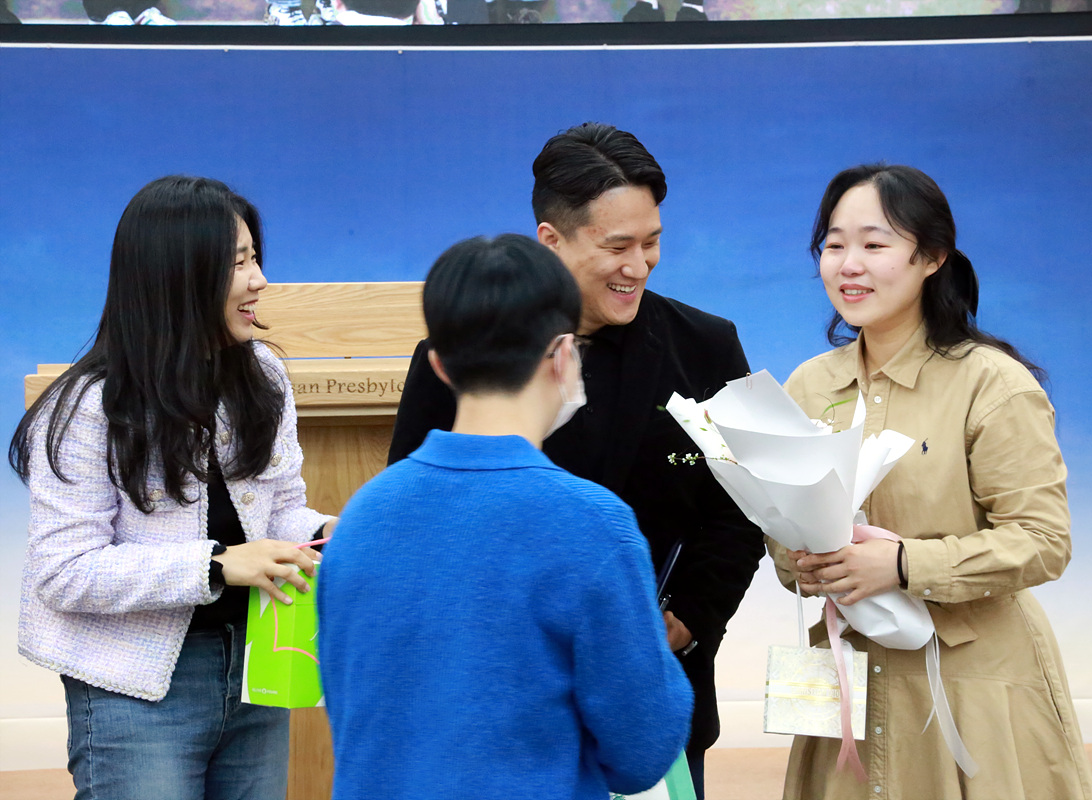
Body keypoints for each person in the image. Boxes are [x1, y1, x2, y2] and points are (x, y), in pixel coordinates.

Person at [387, 122, 764, 799]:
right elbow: (418, 517)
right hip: (495, 710)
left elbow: (739, 512)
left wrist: (686, 621)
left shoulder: (706, 347)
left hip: (652, 708)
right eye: (617, 246)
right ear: (550, 240)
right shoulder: (467, 358)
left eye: (652, 242)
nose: (639, 265)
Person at [319, 234, 692, 798]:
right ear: (565, 356)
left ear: (439, 365)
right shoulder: (594, 526)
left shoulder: (360, 519)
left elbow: (352, 712)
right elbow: (641, 752)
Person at [771, 164, 1092, 799]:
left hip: (972, 684)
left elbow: (1042, 541)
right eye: (834, 245)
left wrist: (901, 565)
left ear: (932, 257)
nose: (849, 265)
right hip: (847, 678)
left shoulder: (992, 383)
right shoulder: (808, 385)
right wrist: (804, 562)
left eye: (874, 244)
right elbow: (783, 540)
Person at [10, 175, 335, 800]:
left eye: (256, 257)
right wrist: (215, 564)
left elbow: (278, 513)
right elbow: (63, 572)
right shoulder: (87, 408)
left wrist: (323, 532)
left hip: (256, 672)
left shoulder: (264, 375)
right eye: (238, 263)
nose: (260, 280)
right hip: (134, 690)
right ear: (178, 276)